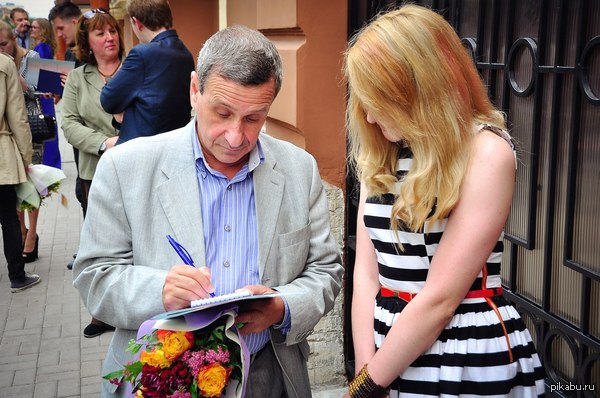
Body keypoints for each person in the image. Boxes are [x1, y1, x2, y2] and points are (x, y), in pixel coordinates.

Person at [72, 25, 343, 397]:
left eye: (253, 119)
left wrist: (281, 306)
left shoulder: (299, 169)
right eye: (223, 113)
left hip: (270, 378)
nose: (235, 137)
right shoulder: (126, 167)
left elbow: (325, 271)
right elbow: (93, 276)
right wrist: (159, 290)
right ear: (195, 90)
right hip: (161, 379)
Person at [343, 5, 545, 398]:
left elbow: (439, 299)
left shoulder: (485, 152)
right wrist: (368, 371)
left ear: (415, 89)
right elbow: (366, 275)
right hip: (385, 352)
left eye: (377, 98)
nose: (366, 115)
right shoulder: (381, 152)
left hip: (463, 353)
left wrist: (365, 387)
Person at [61, 9, 122, 338]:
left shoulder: (135, 67)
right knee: (100, 243)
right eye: (101, 33)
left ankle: (138, 305)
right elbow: (69, 123)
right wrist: (103, 143)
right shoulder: (77, 78)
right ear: (88, 41)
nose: (110, 37)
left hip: (137, 165)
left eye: (113, 30)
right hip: (95, 169)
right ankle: (102, 311)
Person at [100, 0, 194, 144]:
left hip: (141, 149)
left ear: (136, 22)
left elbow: (108, 100)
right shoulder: (185, 54)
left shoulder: (142, 54)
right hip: (174, 144)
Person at [0, 21, 44, 263]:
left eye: (4, 44)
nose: (1, 49)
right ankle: (21, 231)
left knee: (32, 184)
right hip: (7, 134)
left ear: (13, 40)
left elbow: (34, 90)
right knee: (11, 190)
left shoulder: (31, 56)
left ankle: (32, 234)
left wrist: (14, 75)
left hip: (31, 128)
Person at [30, 18, 62, 170]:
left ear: (42, 30)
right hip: (44, 92)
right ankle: (52, 162)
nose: (32, 29)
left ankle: (50, 163)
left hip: (43, 93)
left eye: (35, 27)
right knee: (48, 126)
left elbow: (39, 71)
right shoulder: (43, 46)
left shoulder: (42, 47)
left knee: (45, 126)